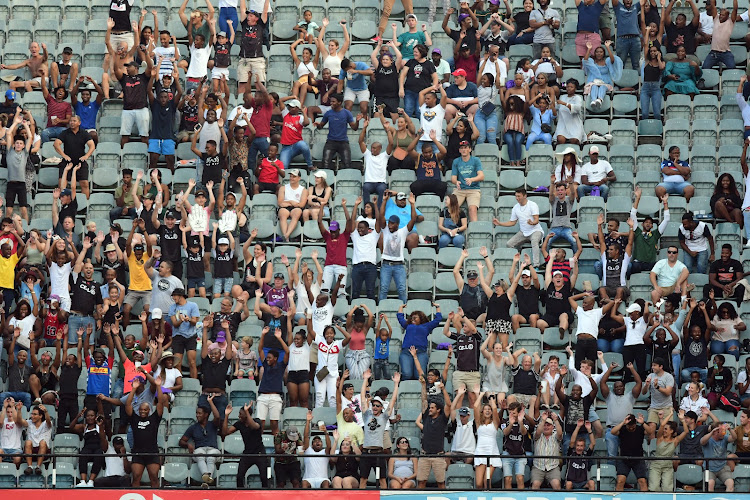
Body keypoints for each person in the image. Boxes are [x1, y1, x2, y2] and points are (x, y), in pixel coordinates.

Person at [123, 373, 163, 487]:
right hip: (138, 453)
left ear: (149, 410)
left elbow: (160, 402)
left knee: (154, 478)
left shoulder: (154, 418)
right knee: (135, 477)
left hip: (152, 452)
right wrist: (133, 389)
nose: (142, 412)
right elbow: (127, 405)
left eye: (145, 410)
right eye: (141, 410)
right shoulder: (134, 418)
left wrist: (158, 386)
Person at [378, 193, 419, 303]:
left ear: (397, 224)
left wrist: (412, 204)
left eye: (392, 224)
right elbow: (381, 216)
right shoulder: (386, 230)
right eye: (389, 223)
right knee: (383, 289)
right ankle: (381, 309)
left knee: (401, 290)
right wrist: (384, 201)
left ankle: (404, 312)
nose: (389, 225)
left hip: (399, 265)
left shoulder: (403, 231)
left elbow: (413, 219)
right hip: (386, 264)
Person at [222, 401, 270, 487]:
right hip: (247, 453)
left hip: (259, 453)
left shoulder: (257, 421)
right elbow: (225, 432)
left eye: (241, 414)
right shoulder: (239, 424)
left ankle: (265, 494)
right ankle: (240, 494)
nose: (238, 416)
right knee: (239, 476)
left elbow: (254, 427)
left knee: (264, 477)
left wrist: (247, 411)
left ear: (246, 415)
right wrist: (226, 416)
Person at [494, 188, 545, 266]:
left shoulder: (532, 205)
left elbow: (536, 220)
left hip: (535, 230)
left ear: (525, 196)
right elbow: (512, 222)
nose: (517, 198)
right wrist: (500, 223)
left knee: (534, 241)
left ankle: (536, 264)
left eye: (519, 196)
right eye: (516, 196)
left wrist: (532, 223)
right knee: (509, 244)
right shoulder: (515, 207)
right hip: (523, 232)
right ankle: (519, 260)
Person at [415, 383, 452, 489]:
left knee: (441, 483)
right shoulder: (426, 417)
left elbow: (449, 405)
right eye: (430, 408)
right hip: (424, 455)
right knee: (421, 482)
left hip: (438, 456)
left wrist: (444, 389)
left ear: (438, 410)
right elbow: (423, 400)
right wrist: (423, 385)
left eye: (432, 408)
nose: (430, 409)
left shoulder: (442, 419)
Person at [180, 399, 221, 487]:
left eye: (199, 413)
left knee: (210, 456)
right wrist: (188, 444)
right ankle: (206, 478)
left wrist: (210, 402)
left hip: (213, 449)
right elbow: (181, 441)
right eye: (197, 413)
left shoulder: (212, 424)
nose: (197, 415)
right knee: (200, 455)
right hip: (200, 450)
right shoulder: (193, 428)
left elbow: (217, 417)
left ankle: (206, 477)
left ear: (206, 415)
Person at [313, 94, 359, 171]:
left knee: (347, 164)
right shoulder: (328, 113)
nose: (331, 103)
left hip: (343, 142)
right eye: (331, 101)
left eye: (333, 101)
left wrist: (357, 121)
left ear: (339, 103)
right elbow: (321, 127)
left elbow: (354, 128)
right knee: (325, 163)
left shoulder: (346, 113)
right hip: (331, 141)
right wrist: (318, 125)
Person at [4, 113, 32, 224]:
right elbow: (8, 133)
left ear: (24, 145)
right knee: (9, 210)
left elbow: (30, 137)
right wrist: (16, 122)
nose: (19, 145)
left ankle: (25, 230)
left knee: (23, 209)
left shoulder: (25, 153)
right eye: (17, 143)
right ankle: (6, 227)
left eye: (21, 143)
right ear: (14, 144)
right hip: (11, 183)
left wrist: (25, 125)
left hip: (21, 184)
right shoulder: (10, 152)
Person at [611, 414, 648, 491]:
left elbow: (650, 431)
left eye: (633, 426)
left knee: (642, 481)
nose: (631, 428)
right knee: (620, 481)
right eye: (629, 426)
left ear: (635, 424)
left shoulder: (640, 429)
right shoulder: (622, 429)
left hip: (638, 459)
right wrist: (622, 423)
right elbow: (613, 432)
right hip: (624, 459)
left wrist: (643, 423)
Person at [530, 411, 563, 490]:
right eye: (544, 425)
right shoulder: (537, 435)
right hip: (538, 467)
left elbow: (560, 433)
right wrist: (543, 420)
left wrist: (555, 420)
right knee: (535, 485)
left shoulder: (555, 436)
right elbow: (538, 431)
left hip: (553, 467)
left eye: (548, 425)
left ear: (552, 427)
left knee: (557, 484)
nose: (546, 427)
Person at [302, 410, 334, 489]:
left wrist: (325, 432)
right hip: (308, 479)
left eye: (319, 441)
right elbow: (306, 436)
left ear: (322, 444)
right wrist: (308, 421)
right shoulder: (308, 451)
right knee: (304, 483)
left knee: (326, 483)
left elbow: (329, 445)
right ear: (312, 444)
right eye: (315, 441)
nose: (317, 442)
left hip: (322, 479)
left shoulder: (325, 452)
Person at [700, 423, 737, 492]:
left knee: (730, 483)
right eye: (721, 430)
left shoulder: (724, 438)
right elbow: (702, 441)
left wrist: (730, 429)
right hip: (709, 468)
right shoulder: (708, 439)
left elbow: (734, 438)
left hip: (722, 467)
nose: (724, 432)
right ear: (716, 432)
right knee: (710, 484)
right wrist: (711, 432)